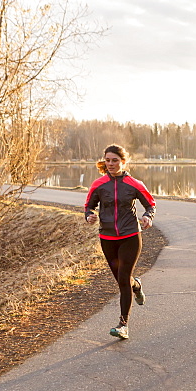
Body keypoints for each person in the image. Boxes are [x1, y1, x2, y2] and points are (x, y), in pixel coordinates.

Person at [84, 144, 156, 340]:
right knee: (122, 279)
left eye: (114, 160)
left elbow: (150, 204)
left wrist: (148, 216)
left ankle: (123, 324)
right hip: (107, 238)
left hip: (130, 236)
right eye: (107, 160)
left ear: (123, 162)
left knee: (123, 278)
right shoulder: (98, 184)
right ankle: (137, 286)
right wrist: (89, 216)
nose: (110, 164)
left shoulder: (134, 184)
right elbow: (88, 206)